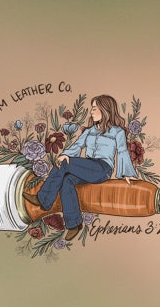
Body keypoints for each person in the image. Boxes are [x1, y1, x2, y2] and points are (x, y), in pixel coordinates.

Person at [36, 94, 136, 235]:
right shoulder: (89, 131)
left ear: (105, 110)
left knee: (65, 163)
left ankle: (44, 199)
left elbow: (122, 151)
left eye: (94, 108)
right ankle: (74, 224)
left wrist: (127, 173)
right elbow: (77, 146)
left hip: (102, 169)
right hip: (87, 166)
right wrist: (65, 154)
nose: (91, 112)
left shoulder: (117, 132)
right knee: (67, 180)